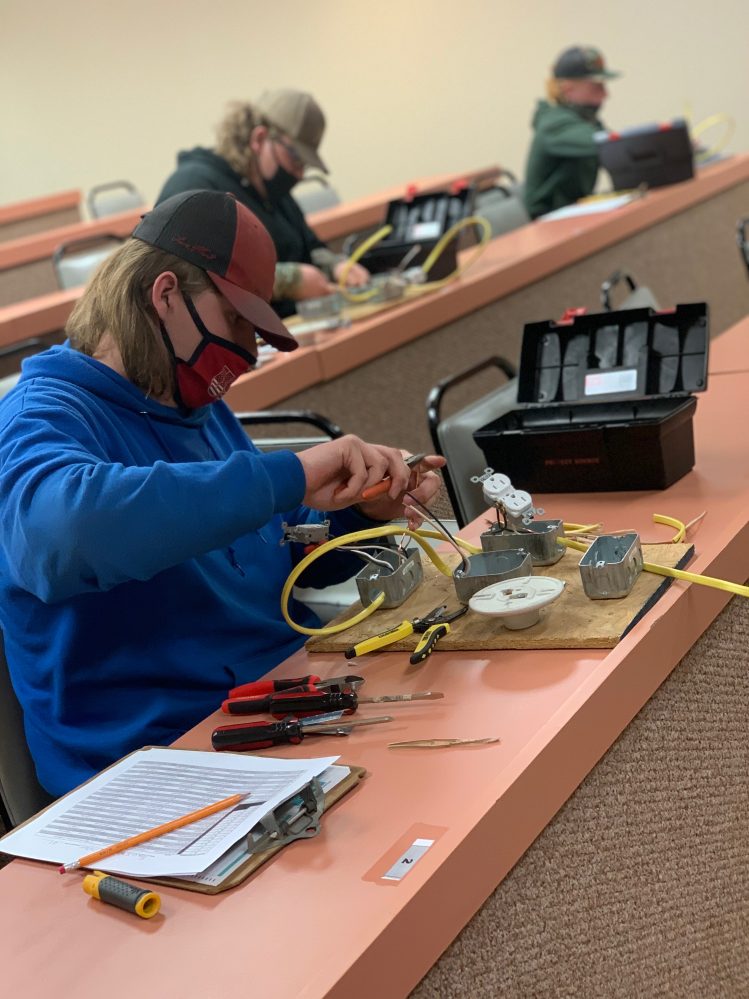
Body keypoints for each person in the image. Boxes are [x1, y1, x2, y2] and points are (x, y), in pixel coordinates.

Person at [0, 190, 444, 797]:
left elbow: (274, 544)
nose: (248, 352)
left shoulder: (192, 406)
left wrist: (358, 513)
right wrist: (288, 473)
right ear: (165, 296)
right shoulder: (38, 420)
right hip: (152, 771)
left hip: (278, 712)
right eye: (237, 321)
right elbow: (64, 536)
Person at [156, 89, 369, 317]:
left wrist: (335, 266)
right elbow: (195, 276)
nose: (298, 173)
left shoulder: (273, 192)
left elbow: (309, 246)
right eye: (296, 159)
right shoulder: (195, 186)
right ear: (259, 138)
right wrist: (287, 281)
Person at [523, 46, 620, 219]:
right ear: (568, 89)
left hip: (572, 214)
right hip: (548, 223)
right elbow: (608, 147)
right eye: (596, 87)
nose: (605, 94)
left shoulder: (583, 120)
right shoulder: (555, 124)